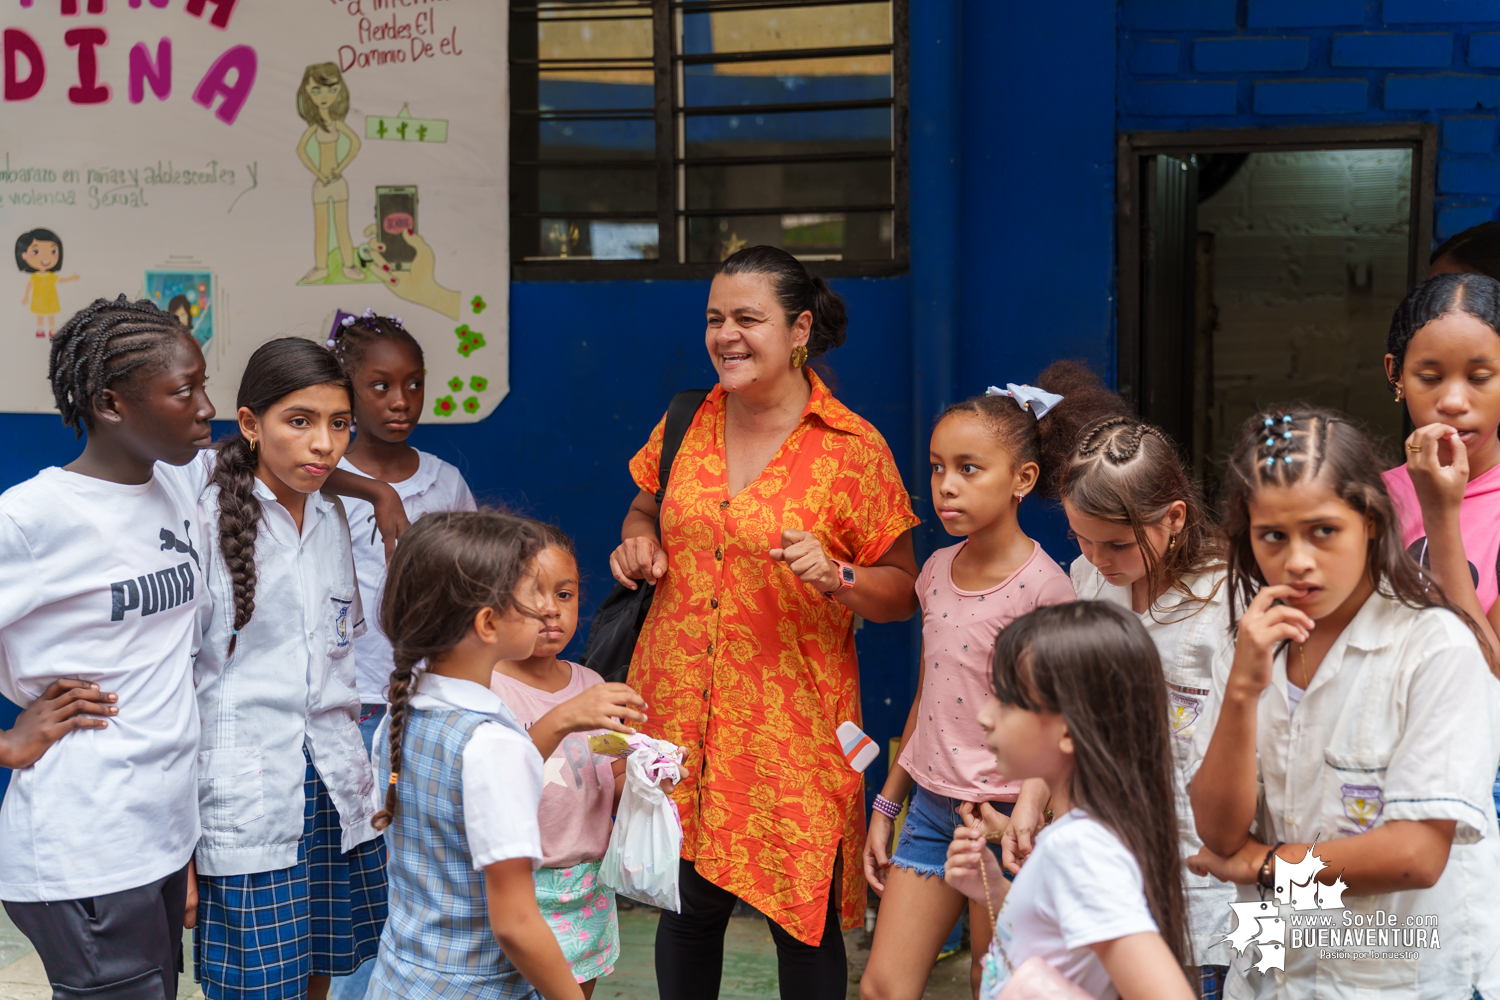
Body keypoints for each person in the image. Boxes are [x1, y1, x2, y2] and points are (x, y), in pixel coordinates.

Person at [609, 245, 921, 999]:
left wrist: (840, 575)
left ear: (799, 327)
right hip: (679, 719)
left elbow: (902, 590)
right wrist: (637, 541)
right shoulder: (687, 418)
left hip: (793, 731)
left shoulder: (853, 450)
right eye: (716, 319)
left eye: (748, 318)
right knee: (684, 915)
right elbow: (646, 503)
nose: (726, 335)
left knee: (802, 926)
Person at [1188, 405, 1500, 999]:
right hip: (1270, 971)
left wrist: (1265, 867)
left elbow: (1414, 856)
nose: (1297, 560)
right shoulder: (1251, 642)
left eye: (1323, 531)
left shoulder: (1434, 648)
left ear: (1372, 523)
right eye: (1272, 536)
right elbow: (1220, 835)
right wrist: (1243, 691)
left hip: (1398, 968)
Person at [0, 297, 213, 999]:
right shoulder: (33, 519)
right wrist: (6, 744)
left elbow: (283, 446)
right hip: (83, 846)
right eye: (184, 390)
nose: (205, 406)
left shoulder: (181, 477)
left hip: (157, 835)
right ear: (111, 402)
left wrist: (375, 490)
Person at [860, 380, 1079, 1000]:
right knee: (882, 986)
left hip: (1005, 815)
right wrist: (888, 805)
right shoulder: (933, 572)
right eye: (936, 469)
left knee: (997, 982)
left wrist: (1027, 814)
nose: (946, 485)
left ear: (1023, 478)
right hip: (930, 810)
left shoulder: (1047, 590)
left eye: (968, 469)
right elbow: (930, 696)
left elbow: (1057, 722)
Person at [1034, 363, 1237, 998]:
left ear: (1174, 516)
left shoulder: (1226, 608)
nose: (1096, 560)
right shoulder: (1089, 579)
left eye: (1116, 545)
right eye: (1080, 539)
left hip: (1203, 887)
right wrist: (1035, 798)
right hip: (1108, 874)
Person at [192, 338, 387, 1000]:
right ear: (250, 424)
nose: (323, 444)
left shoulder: (336, 517)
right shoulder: (203, 516)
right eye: (299, 421)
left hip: (331, 784)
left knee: (319, 972)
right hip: (245, 791)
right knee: (255, 986)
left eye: (339, 425)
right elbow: (185, 679)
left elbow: (340, 647)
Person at [366, 511, 593, 1000]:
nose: (545, 608)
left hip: (402, 979)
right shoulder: (493, 747)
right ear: (488, 622)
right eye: (531, 592)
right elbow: (514, 923)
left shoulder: (401, 715)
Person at [943, 602, 1196, 1000]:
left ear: (1069, 730)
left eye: (1007, 700)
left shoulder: (1079, 848)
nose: (985, 716)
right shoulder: (1081, 834)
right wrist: (993, 888)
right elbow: (1057, 944)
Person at [491, 524, 650, 997]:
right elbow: (496, 779)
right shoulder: (488, 688)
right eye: (530, 595)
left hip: (586, 887)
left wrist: (648, 780)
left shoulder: (590, 683)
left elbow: (611, 770)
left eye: (564, 594)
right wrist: (563, 718)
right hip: (515, 885)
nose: (550, 611)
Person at [329, 308, 476, 752]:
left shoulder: (444, 480)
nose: (401, 400)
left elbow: (474, 584)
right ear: (346, 391)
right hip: (355, 695)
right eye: (381, 386)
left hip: (436, 692)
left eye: (414, 384)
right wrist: (378, 492)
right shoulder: (325, 478)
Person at [295, 62, 365, 284]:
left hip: (337, 182)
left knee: (342, 227)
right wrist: (318, 172)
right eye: (316, 90)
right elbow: (301, 151)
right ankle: (321, 268)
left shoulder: (336, 124)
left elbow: (355, 143)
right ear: (307, 90)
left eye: (331, 89)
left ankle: (349, 266)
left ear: (339, 90)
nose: (324, 96)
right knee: (322, 228)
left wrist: (339, 168)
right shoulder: (314, 128)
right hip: (321, 184)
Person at [15, 228, 80, 337]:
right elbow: (29, 286)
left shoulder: (51, 276)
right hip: (38, 299)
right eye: (36, 251)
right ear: (24, 255)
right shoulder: (35, 277)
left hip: (50, 298)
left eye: (53, 251)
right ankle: (40, 329)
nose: (45, 257)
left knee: (51, 314)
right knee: (40, 314)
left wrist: (72, 278)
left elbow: (60, 280)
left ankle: (52, 329)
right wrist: (26, 297)